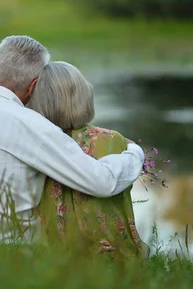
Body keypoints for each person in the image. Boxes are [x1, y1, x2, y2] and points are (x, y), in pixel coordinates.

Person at [0, 35, 145, 243]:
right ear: (33, 86)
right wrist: (134, 152)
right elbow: (101, 181)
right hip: (12, 254)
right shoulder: (35, 127)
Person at [26, 61, 148, 258]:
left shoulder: (32, 140)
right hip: (105, 251)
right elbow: (120, 192)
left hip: (48, 250)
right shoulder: (109, 139)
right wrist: (134, 150)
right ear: (83, 96)